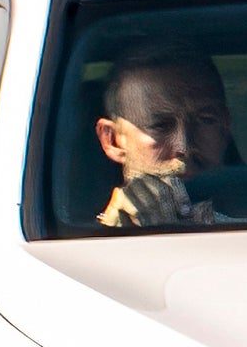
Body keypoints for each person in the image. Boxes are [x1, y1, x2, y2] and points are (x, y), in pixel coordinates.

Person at [94, 47, 233, 228]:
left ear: (225, 128)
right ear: (112, 140)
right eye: (159, 126)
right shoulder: (80, 246)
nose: (183, 146)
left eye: (205, 120)